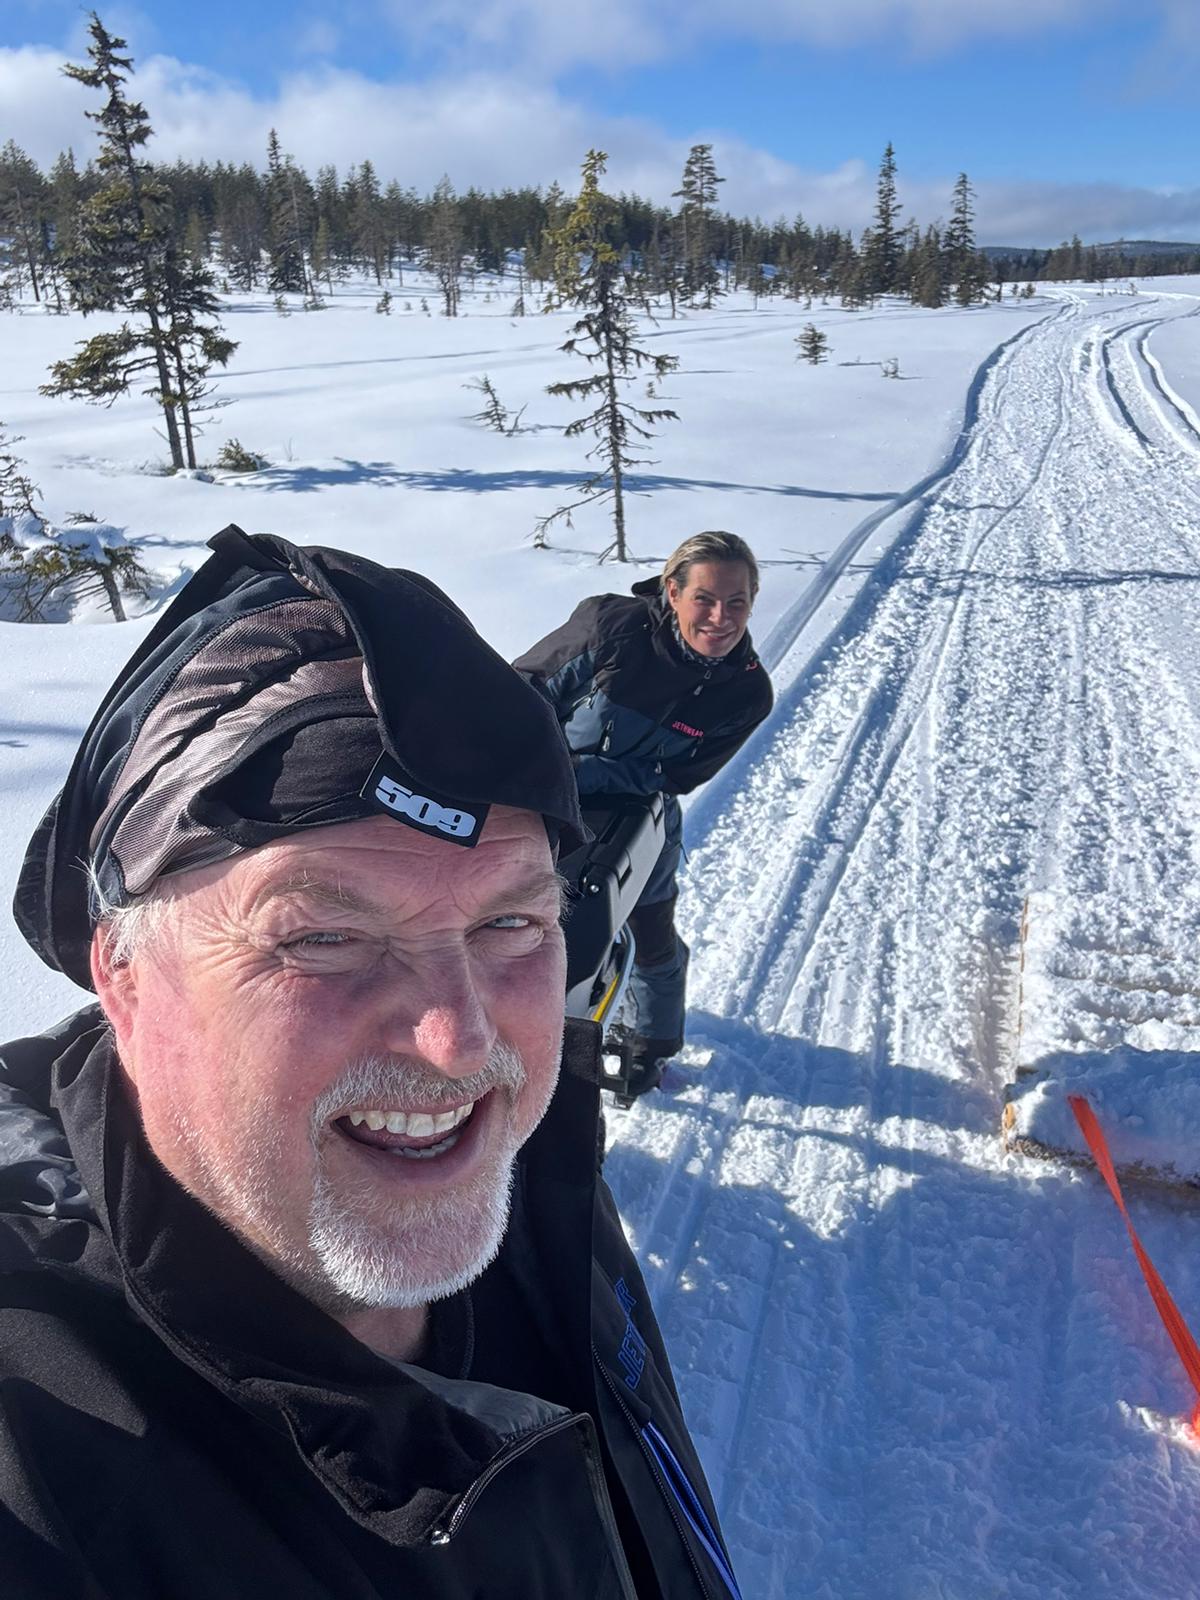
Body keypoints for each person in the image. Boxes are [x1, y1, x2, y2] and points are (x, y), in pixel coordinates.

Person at [0, 526, 743, 1600]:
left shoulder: (536, 1178)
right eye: (324, 938)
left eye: (510, 925)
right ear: (123, 971)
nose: (461, 1042)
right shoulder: (47, 1443)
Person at [515, 532, 773, 1093]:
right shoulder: (612, 629)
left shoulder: (748, 694)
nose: (720, 618)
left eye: (737, 602)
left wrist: (591, 774)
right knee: (519, 927)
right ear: (672, 592)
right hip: (537, 800)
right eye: (704, 598)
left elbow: (677, 776)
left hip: (642, 819)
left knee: (651, 935)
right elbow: (520, 698)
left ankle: (649, 1047)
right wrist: (544, 775)